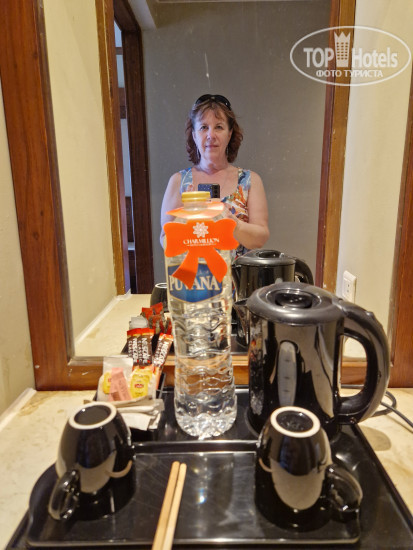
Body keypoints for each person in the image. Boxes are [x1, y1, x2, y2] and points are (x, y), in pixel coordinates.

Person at [160, 94, 269, 257]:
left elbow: (260, 238)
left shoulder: (250, 181)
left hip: (240, 274)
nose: (211, 135)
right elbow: (166, 240)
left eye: (219, 127)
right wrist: (188, 223)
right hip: (194, 272)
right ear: (194, 135)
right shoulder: (178, 182)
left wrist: (234, 224)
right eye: (204, 127)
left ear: (229, 133)